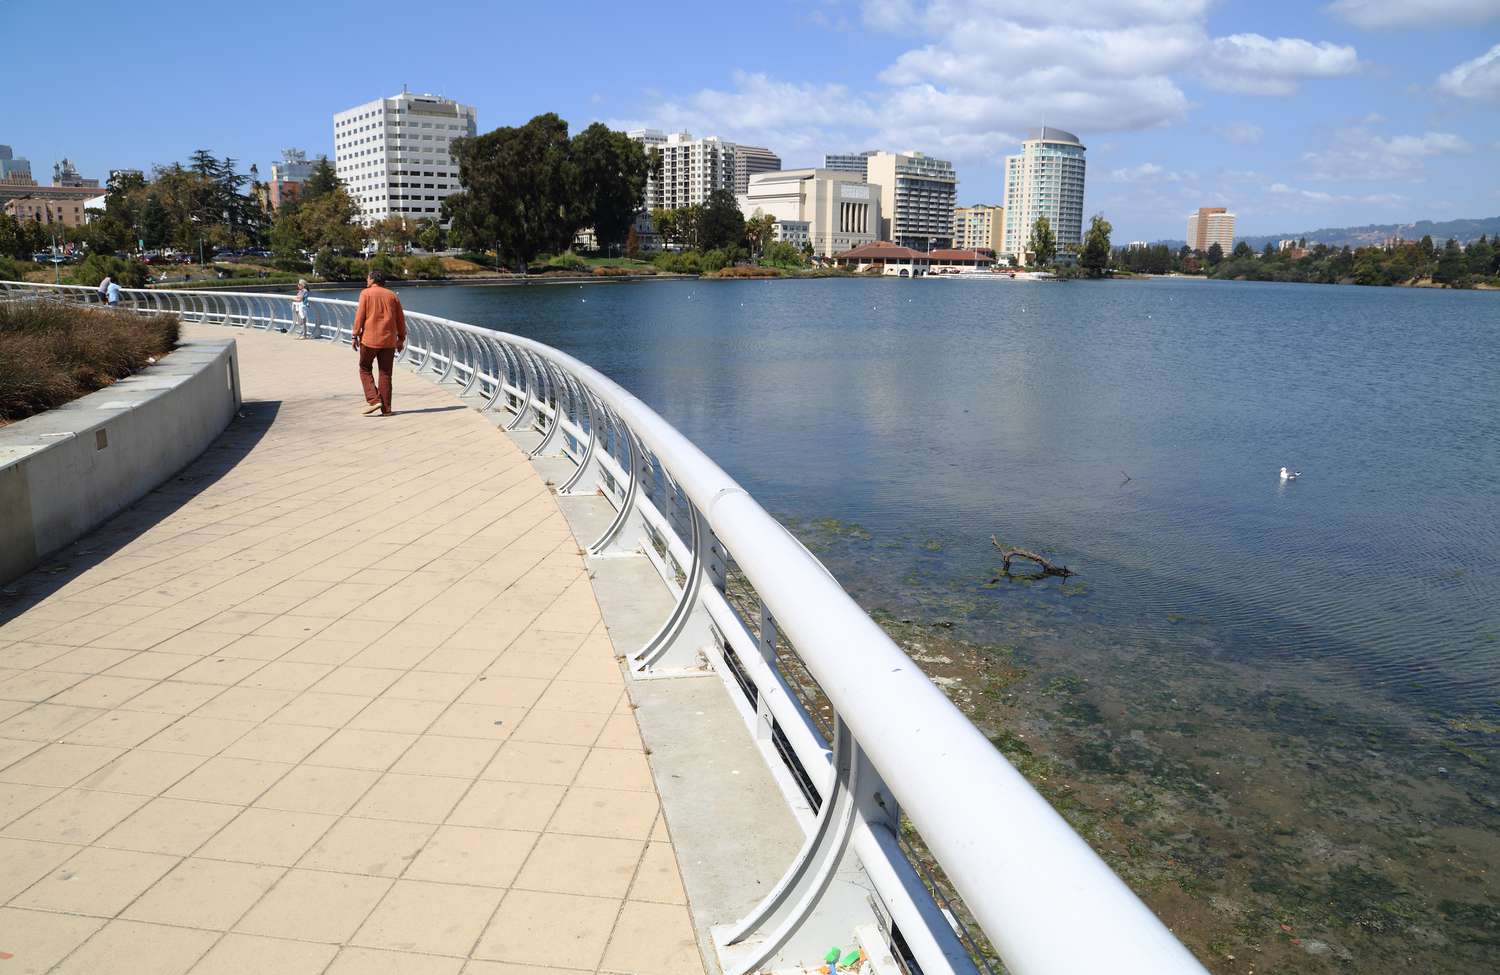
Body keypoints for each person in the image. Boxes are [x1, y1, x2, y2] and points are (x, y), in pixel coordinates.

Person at [351, 269, 406, 416]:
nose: (366, 281)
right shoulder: (392, 295)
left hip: (369, 340)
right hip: (389, 341)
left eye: (367, 278)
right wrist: (401, 338)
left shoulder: (366, 293)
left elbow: (360, 316)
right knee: (386, 373)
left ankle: (374, 400)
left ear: (372, 279)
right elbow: (400, 319)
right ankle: (386, 410)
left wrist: (355, 335)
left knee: (364, 368)